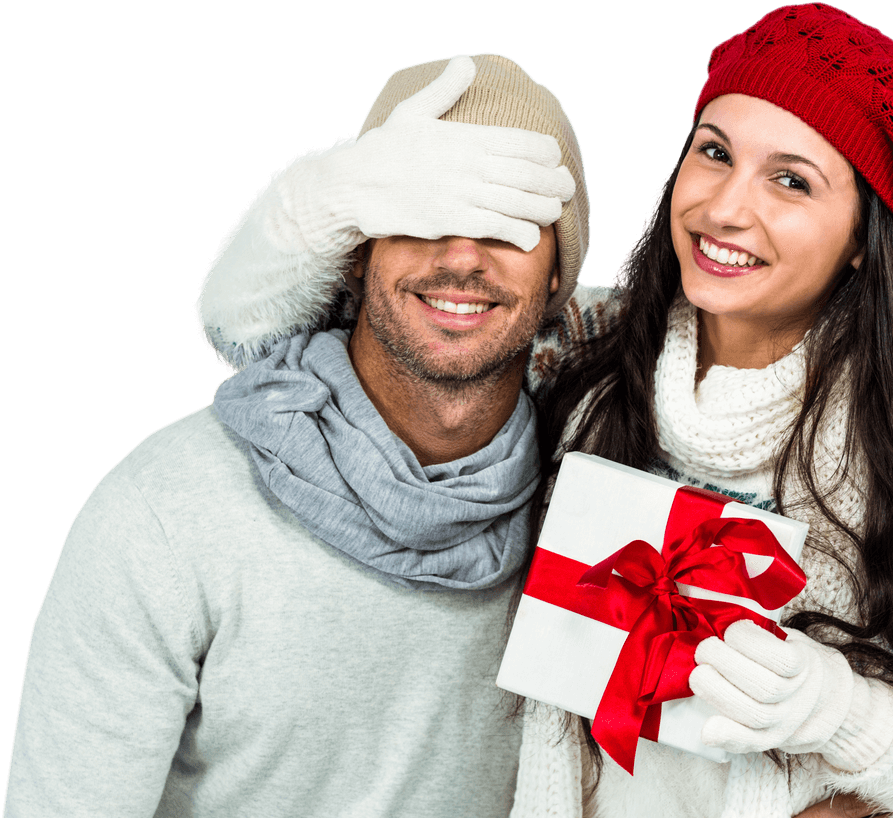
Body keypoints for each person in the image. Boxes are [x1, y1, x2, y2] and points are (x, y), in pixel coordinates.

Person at [509, 4, 893, 817]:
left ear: (860, 238)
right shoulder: (580, 353)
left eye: (790, 179)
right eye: (714, 152)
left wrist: (843, 716)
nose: (725, 208)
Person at [4, 54, 586, 817]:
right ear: (354, 254)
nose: (461, 256)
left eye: (505, 221)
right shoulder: (164, 515)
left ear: (556, 279)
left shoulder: (592, 496)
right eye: (420, 211)